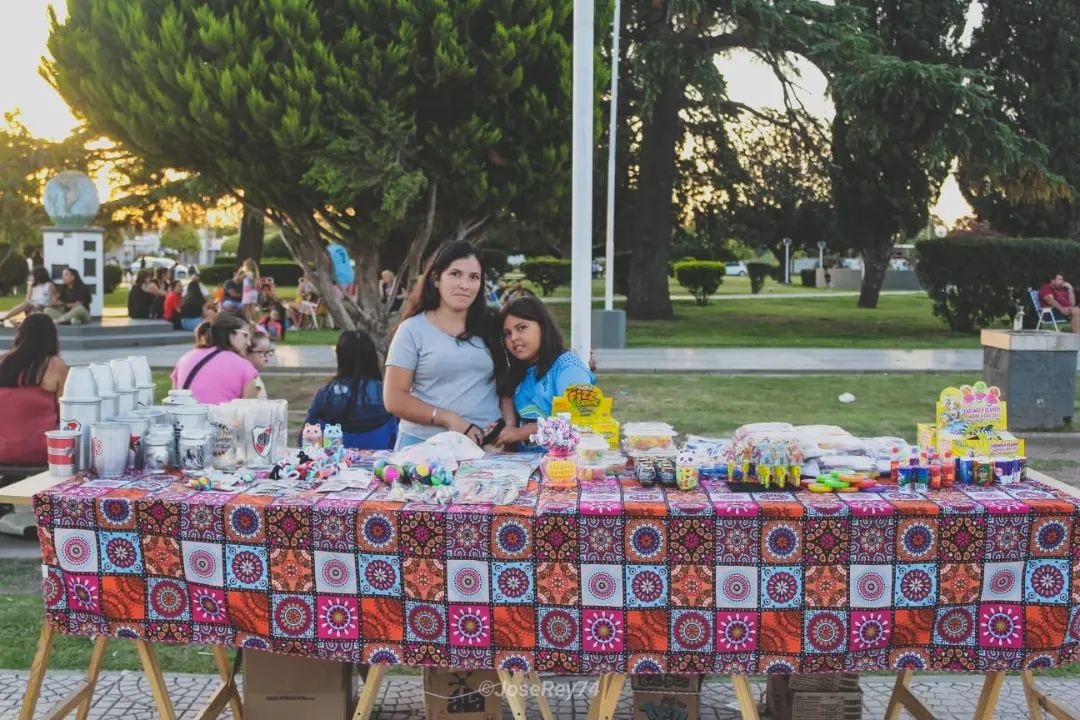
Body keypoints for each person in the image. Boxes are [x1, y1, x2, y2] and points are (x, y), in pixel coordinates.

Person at [383, 241, 500, 449]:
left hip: (485, 449)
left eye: (474, 277)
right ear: (436, 279)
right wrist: (448, 419)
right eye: (455, 274)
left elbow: (511, 382)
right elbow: (394, 399)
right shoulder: (412, 330)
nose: (465, 285)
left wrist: (507, 426)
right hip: (423, 449)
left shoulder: (492, 326)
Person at [489, 295, 595, 448]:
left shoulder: (567, 366)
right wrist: (507, 427)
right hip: (522, 461)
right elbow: (506, 395)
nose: (513, 338)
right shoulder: (520, 370)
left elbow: (578, 419)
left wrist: (519, 433)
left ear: (543, 326)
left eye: (521, 328)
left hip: (562, 460)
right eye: (507, 333)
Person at [305, 330, 397, 449]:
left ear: (340, 357)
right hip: (381, 456)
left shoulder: (326, 394)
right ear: (373, 357)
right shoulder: (386, 394)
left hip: (335, 456)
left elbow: (307, 435)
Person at [0, 314, 68, 465]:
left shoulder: (3, 361)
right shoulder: (54, 365)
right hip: (39, 449)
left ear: (21, 334)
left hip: (2, 449)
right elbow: (65, 412)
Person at [170, 312, 260, 404]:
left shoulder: (184, 359)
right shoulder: (245, 367)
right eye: (245, 335)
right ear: (230, 333)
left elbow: (173, 401)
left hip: (186, 412)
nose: (248, 343)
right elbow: (248, 409)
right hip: (222, 413)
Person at [246, 328, 273, 399]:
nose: (267, 355)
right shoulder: (251, 380)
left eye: (269, 351)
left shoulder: (255, 376)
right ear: (247, 352)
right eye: (262, 351)